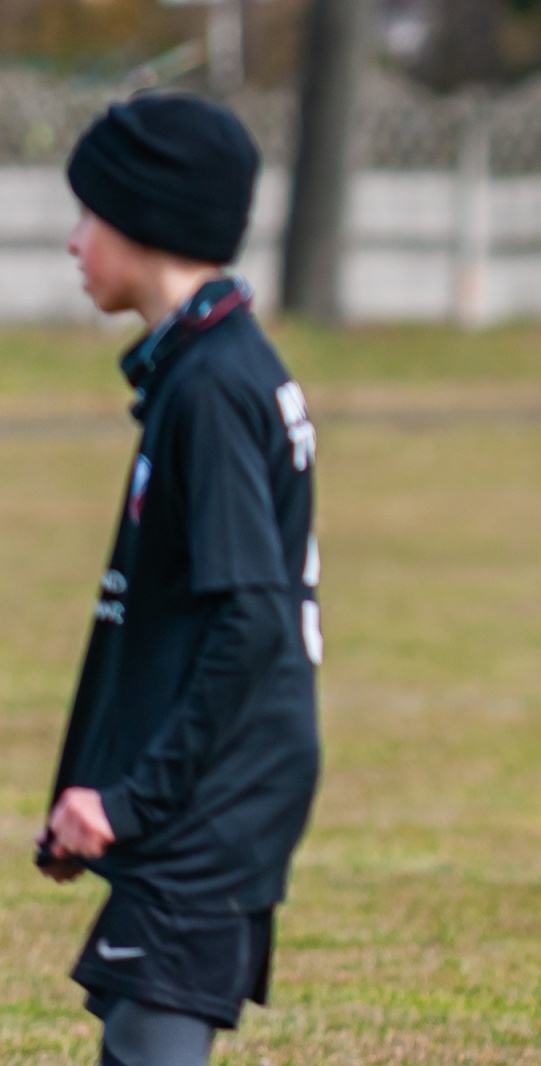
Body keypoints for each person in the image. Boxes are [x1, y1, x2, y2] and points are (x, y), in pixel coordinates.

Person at [39, 93, 322, 1065]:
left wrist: (128, 802)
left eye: (88, 215)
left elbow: (252, 622)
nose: (73, 242)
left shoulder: (211, 387)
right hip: (204, 780)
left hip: (214, 790)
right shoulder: (198, 366)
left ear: (144, 220)